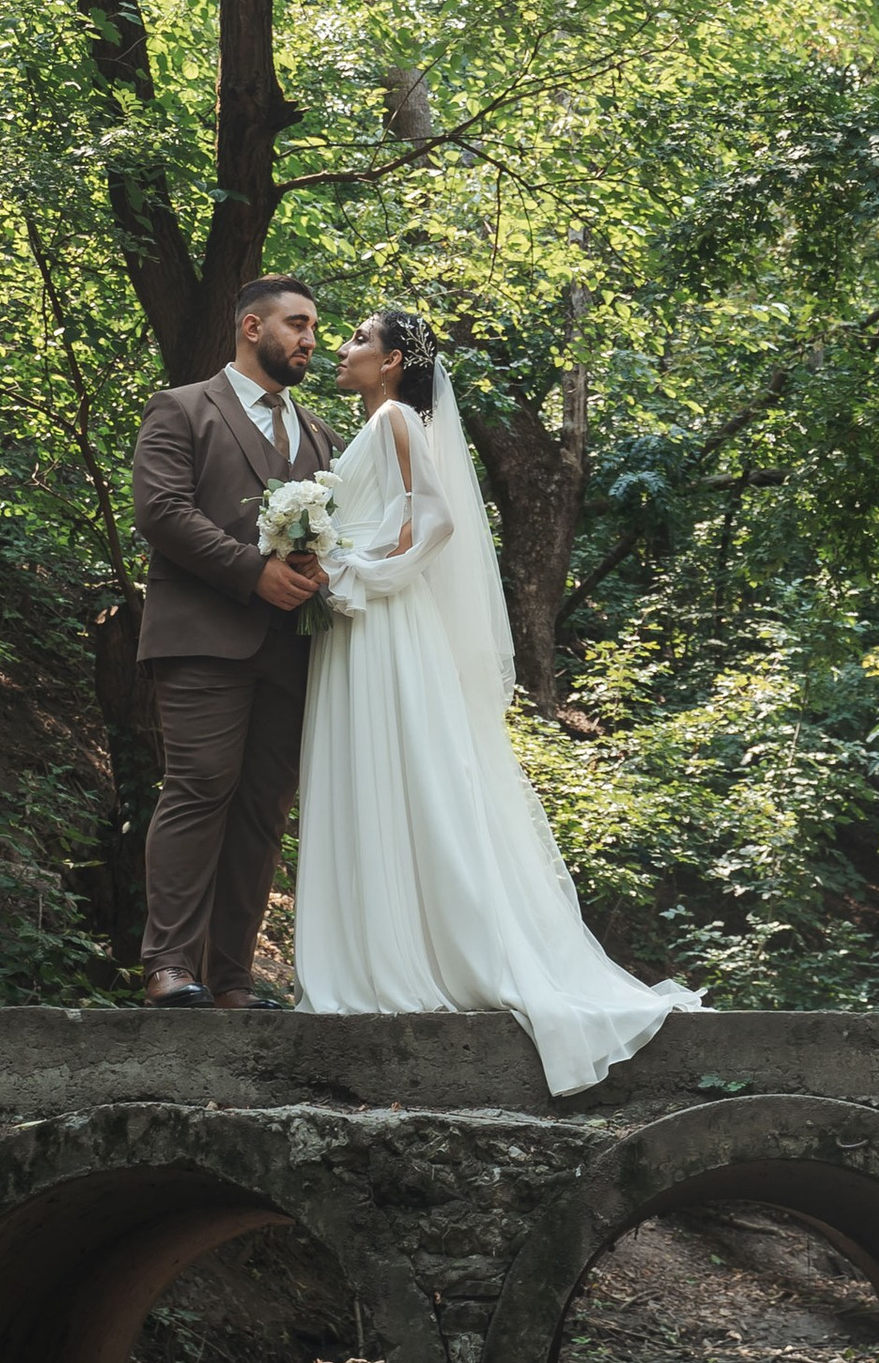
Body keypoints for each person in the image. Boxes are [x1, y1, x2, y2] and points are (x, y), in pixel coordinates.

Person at [293, 304, 702, 1096]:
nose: (341, 348)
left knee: (397, 771)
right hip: (357, 618)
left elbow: (437, 521)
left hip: (380, 618)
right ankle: (377, 948)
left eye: (359, 339)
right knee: (371, 771)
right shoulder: (375, 426)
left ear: (392, 361)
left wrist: (356, 572)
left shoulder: (396, 421)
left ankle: (412, 953)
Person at [128, 276, 335, 1011]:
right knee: (199, 787)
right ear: (252, 327)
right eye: (297, 324)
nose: (310, 339)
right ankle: (168, 965)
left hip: (296, 646)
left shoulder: (320, 435)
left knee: (264, 809)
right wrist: (253, 572)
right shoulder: (183, 407)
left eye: (314, 328)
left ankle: (233, 980)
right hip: (203, 637)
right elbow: (161, 511)